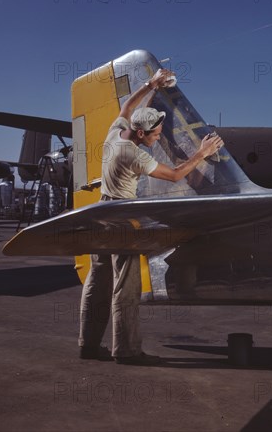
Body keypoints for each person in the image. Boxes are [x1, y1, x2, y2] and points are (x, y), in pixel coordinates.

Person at [78, 68, 224, 365]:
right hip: (121, 217)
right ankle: (127, 351)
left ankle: (87, 345)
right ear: (141, 134)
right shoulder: (134, 154)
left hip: (101, 214)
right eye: (155, 135)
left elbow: (128, 107)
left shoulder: (115, 134)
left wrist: (151, 86)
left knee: (98, 280)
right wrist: (201, 153)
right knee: (126, 288)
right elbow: (173, 175)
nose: (158, 139)